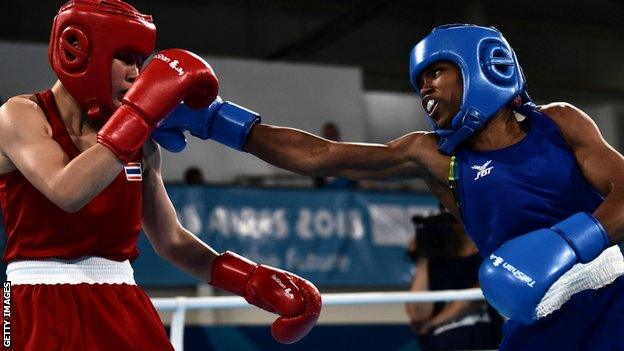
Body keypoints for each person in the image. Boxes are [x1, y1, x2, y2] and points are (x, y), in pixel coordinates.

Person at [155, 23, 624, 350]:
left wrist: (568, 242)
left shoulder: (558, 123)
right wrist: (221, 122)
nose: (425, 90)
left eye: (436, 73)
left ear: (483, 66)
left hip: (612, 293)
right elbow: (319, 155)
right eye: (419, 82)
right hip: (532, 313)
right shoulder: (435, 155)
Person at [0, 1, 321, 349]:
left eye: (141, 63)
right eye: (125, 58)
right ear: (79, 52)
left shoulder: (138, 140)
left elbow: (171, 240)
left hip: (120, 298)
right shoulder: (21, 115)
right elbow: (68, 191)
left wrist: (249, 279)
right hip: (33, 299)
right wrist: (142, 114)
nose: (137, 75)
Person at [406, 212, 503, 350]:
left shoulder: (483, 254)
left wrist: (433, 323)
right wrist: (423, 255)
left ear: (458, 227)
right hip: (442, 341)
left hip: (481, 333)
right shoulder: (430, 265)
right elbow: (418, 315)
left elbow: (474, 299)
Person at [313, 122, 358, 188]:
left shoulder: (347, 152)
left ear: (337, 134)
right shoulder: (318, 154)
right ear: (324, 136)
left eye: (332, 135)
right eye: (328, 136)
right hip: (325, 190)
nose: (330, 138)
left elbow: (354, 173)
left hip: (347, 189)